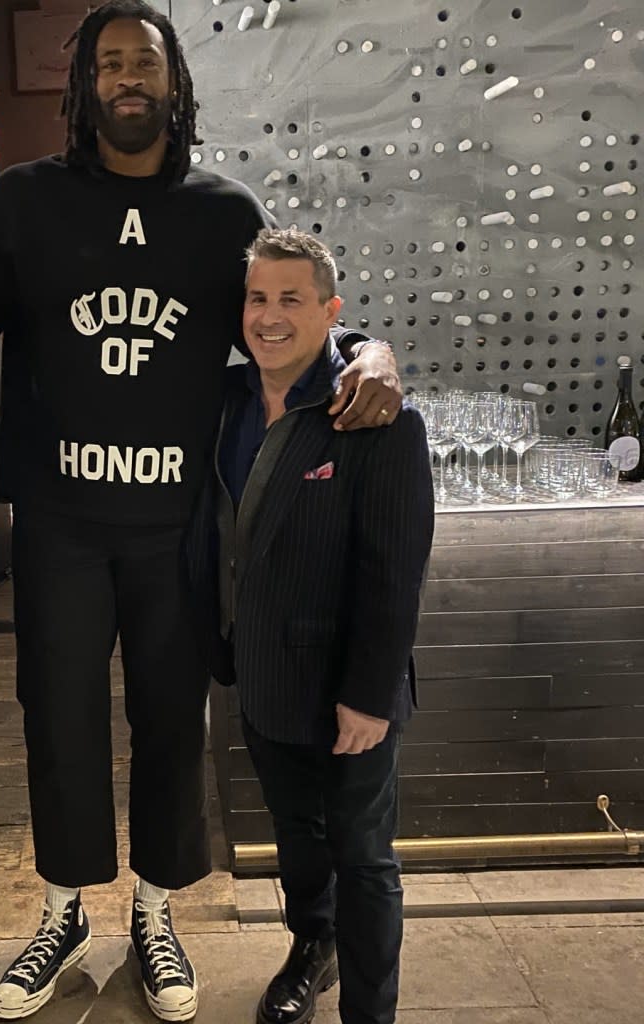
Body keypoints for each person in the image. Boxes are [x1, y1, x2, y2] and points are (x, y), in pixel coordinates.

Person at [0, 3, 404, 1020]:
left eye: (143, 63)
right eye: (108, 62)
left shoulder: (224, 210)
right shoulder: (22, 202)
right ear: (83, 87)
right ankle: (65, 905)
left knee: (169, 721)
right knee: (59, 721)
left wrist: (370, 352)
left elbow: (287, 327)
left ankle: (155, 912)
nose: (126, 78)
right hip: (62, 523)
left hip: (176, 524)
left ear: (174, 84)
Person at [185, 227, 434, 1024]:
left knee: (363, 858)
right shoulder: (221, 400)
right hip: (258, 675)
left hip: (346, 689)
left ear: (330, 310)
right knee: (298, 840)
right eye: (258, 298)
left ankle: (371, 1009)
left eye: (291, 299)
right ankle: (309, 952)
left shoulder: (376, 416)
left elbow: (394, 573)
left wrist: (367, 695)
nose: (269, 316)